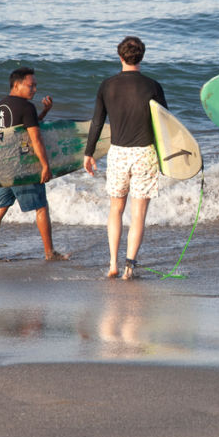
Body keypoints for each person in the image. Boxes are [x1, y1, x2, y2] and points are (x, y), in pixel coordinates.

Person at [83, 36, 167, 280]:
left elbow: (98, 121)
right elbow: (165, 124)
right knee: (138, 213)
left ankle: (112, 264)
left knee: (116, 209)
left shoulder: (107, 86)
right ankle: (130, 267)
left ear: (120, 57)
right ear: (142, 56)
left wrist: (89, 153)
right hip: (145, 153)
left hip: (118, 153)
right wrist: (170, 158)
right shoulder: (153, 86)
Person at [0, 67, 69, 261]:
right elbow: (35, 137)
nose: (35, 89)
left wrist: (44, 111)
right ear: (17, 84)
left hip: (1, 164)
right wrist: (45, 166)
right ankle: (50, 253)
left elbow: (22, 128)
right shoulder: (26, 106)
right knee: (41, 207)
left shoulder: (2, 105)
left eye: (36, 85)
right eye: (31, 85)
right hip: (20, 165)